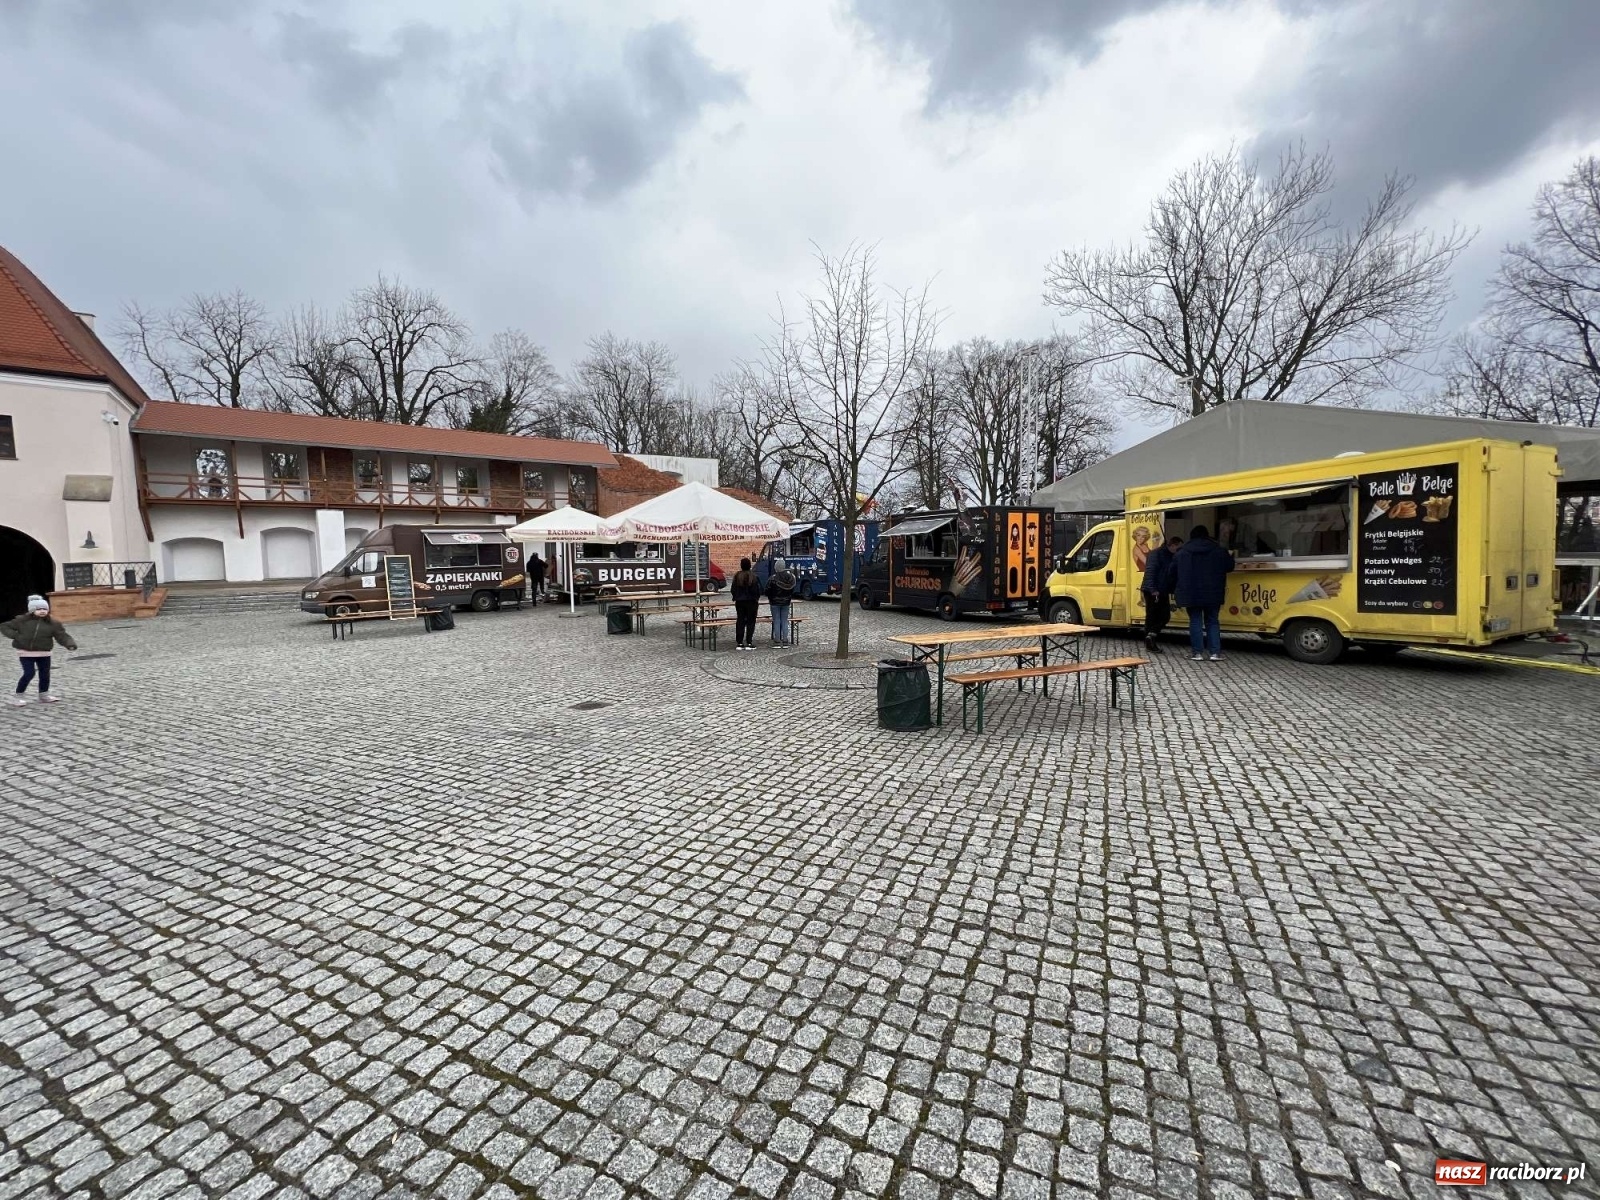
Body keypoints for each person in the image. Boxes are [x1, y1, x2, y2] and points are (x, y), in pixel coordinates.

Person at [1165, 525, 1234, 661]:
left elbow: (1171, 572)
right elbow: (1230, 567)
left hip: (1191, 593)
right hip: (1213, 592)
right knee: (1212, 621)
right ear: (1207, 535)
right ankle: (1215, 653)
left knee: (1195, 620)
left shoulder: (1182, 552)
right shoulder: (1219, 550)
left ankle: (1197, 653)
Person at [3, 595, 78, 706]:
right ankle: (18, 696)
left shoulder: (53, 623)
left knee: (44, 674)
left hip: (44, 653)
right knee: (29, 673)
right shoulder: (22, 621)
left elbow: (62, 636)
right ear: (32, 610)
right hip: (26, 652)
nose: (42, 611)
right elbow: (4, 626)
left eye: (44, 609)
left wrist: (70, 644)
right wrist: (16, 636)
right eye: (38, 609)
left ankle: (44, 695)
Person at [1139, 534, 1181, 654]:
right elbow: (1151, 572)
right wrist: (1153, 590)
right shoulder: (1157, 554)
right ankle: (1150, 639)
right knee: (1155, 616)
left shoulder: (1167, 554)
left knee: (1161, 616)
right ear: (1172, 545)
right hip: (1154, 590)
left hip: (1161, 589)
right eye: (1178, 548)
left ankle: (1150, 637)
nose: (1178, 551)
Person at [730, 557, 761, 650]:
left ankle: (739, 642)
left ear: (741, 566)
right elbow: (758, 590)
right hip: (752, 602)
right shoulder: (754, 576)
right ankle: (749, 642)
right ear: (749, 565)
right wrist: (756, 598)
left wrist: (735, 597)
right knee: (751, 622)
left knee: (740, 621)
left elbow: (733, 589)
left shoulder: (737, 576)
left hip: (740, 602)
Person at [766, 556, 797, 645]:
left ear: (776, 567)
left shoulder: (773, 578)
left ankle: (777, 639)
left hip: (774, 602)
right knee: (784, 620)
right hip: (786, 602)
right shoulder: (791, 577)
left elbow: (767, 590)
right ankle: (785, 639)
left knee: (776, 620)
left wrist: (771, 597)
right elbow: (792, 590)